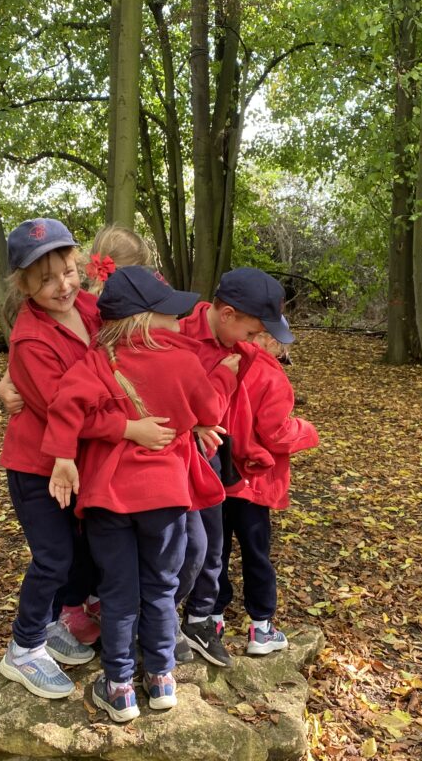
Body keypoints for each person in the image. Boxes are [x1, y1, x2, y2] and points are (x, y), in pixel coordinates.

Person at [42, 266, 240, 722]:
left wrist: (64, 457)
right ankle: (162, 678)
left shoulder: (97, 360)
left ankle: (119, 687)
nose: (178, 321)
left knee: (117, 592)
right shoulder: (184, 360)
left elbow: (65, 404)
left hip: (109, 497)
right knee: (161, 587)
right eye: (168, 314)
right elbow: (208, 408)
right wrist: (224, 382)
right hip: (168, 496)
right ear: (144, 318)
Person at [0, 218, 174, 701]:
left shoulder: (92, 307)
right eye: (46, 279)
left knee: (77, 550)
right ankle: (24, 645)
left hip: (84, 461)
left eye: (69, 271)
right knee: (53, 558)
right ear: (24, 285)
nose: (63, 286)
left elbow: (134, 344)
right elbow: (61, 409)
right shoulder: (31, 340)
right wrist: (128, 427)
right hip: (40, 466)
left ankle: (55, 621)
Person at [175, 267, 295, 668]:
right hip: (173, 462)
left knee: (212, 544)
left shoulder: (242, 353)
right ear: (227, 314)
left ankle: (202, 618)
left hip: (215, 464)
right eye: (253, 332)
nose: (255, 342)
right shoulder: (175, 331)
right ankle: (164, 621)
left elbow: (243, 410)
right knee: (185, 545)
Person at [212, 329, 318, 654]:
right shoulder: (272, 376)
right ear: (269, 340)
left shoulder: (222, 362)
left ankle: (210, 617)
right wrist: (308, 431)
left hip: (217, 475)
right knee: (256, 552)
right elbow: (276, 432)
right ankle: (260, 627)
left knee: (216, 551)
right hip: (253, 483)